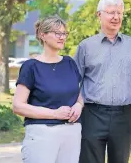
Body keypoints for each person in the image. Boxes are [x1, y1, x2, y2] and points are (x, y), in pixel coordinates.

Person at [74, 0, 131, 163]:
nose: (116, 17)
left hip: (124, 116)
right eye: (111, 12)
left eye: (120, 13)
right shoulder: (86, 46)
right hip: (92, 114)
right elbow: (75, 83)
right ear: (99, 15)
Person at [13, 16, 84, 163]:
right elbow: (18, 106)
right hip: (41, 133)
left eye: (64, 33)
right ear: (42, 35)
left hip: (72, 133)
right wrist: (55, 114)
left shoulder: (69, 63)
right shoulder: (31, 66)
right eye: (57, 33)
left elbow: (78, 95)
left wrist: (79, 105)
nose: (62, 37)